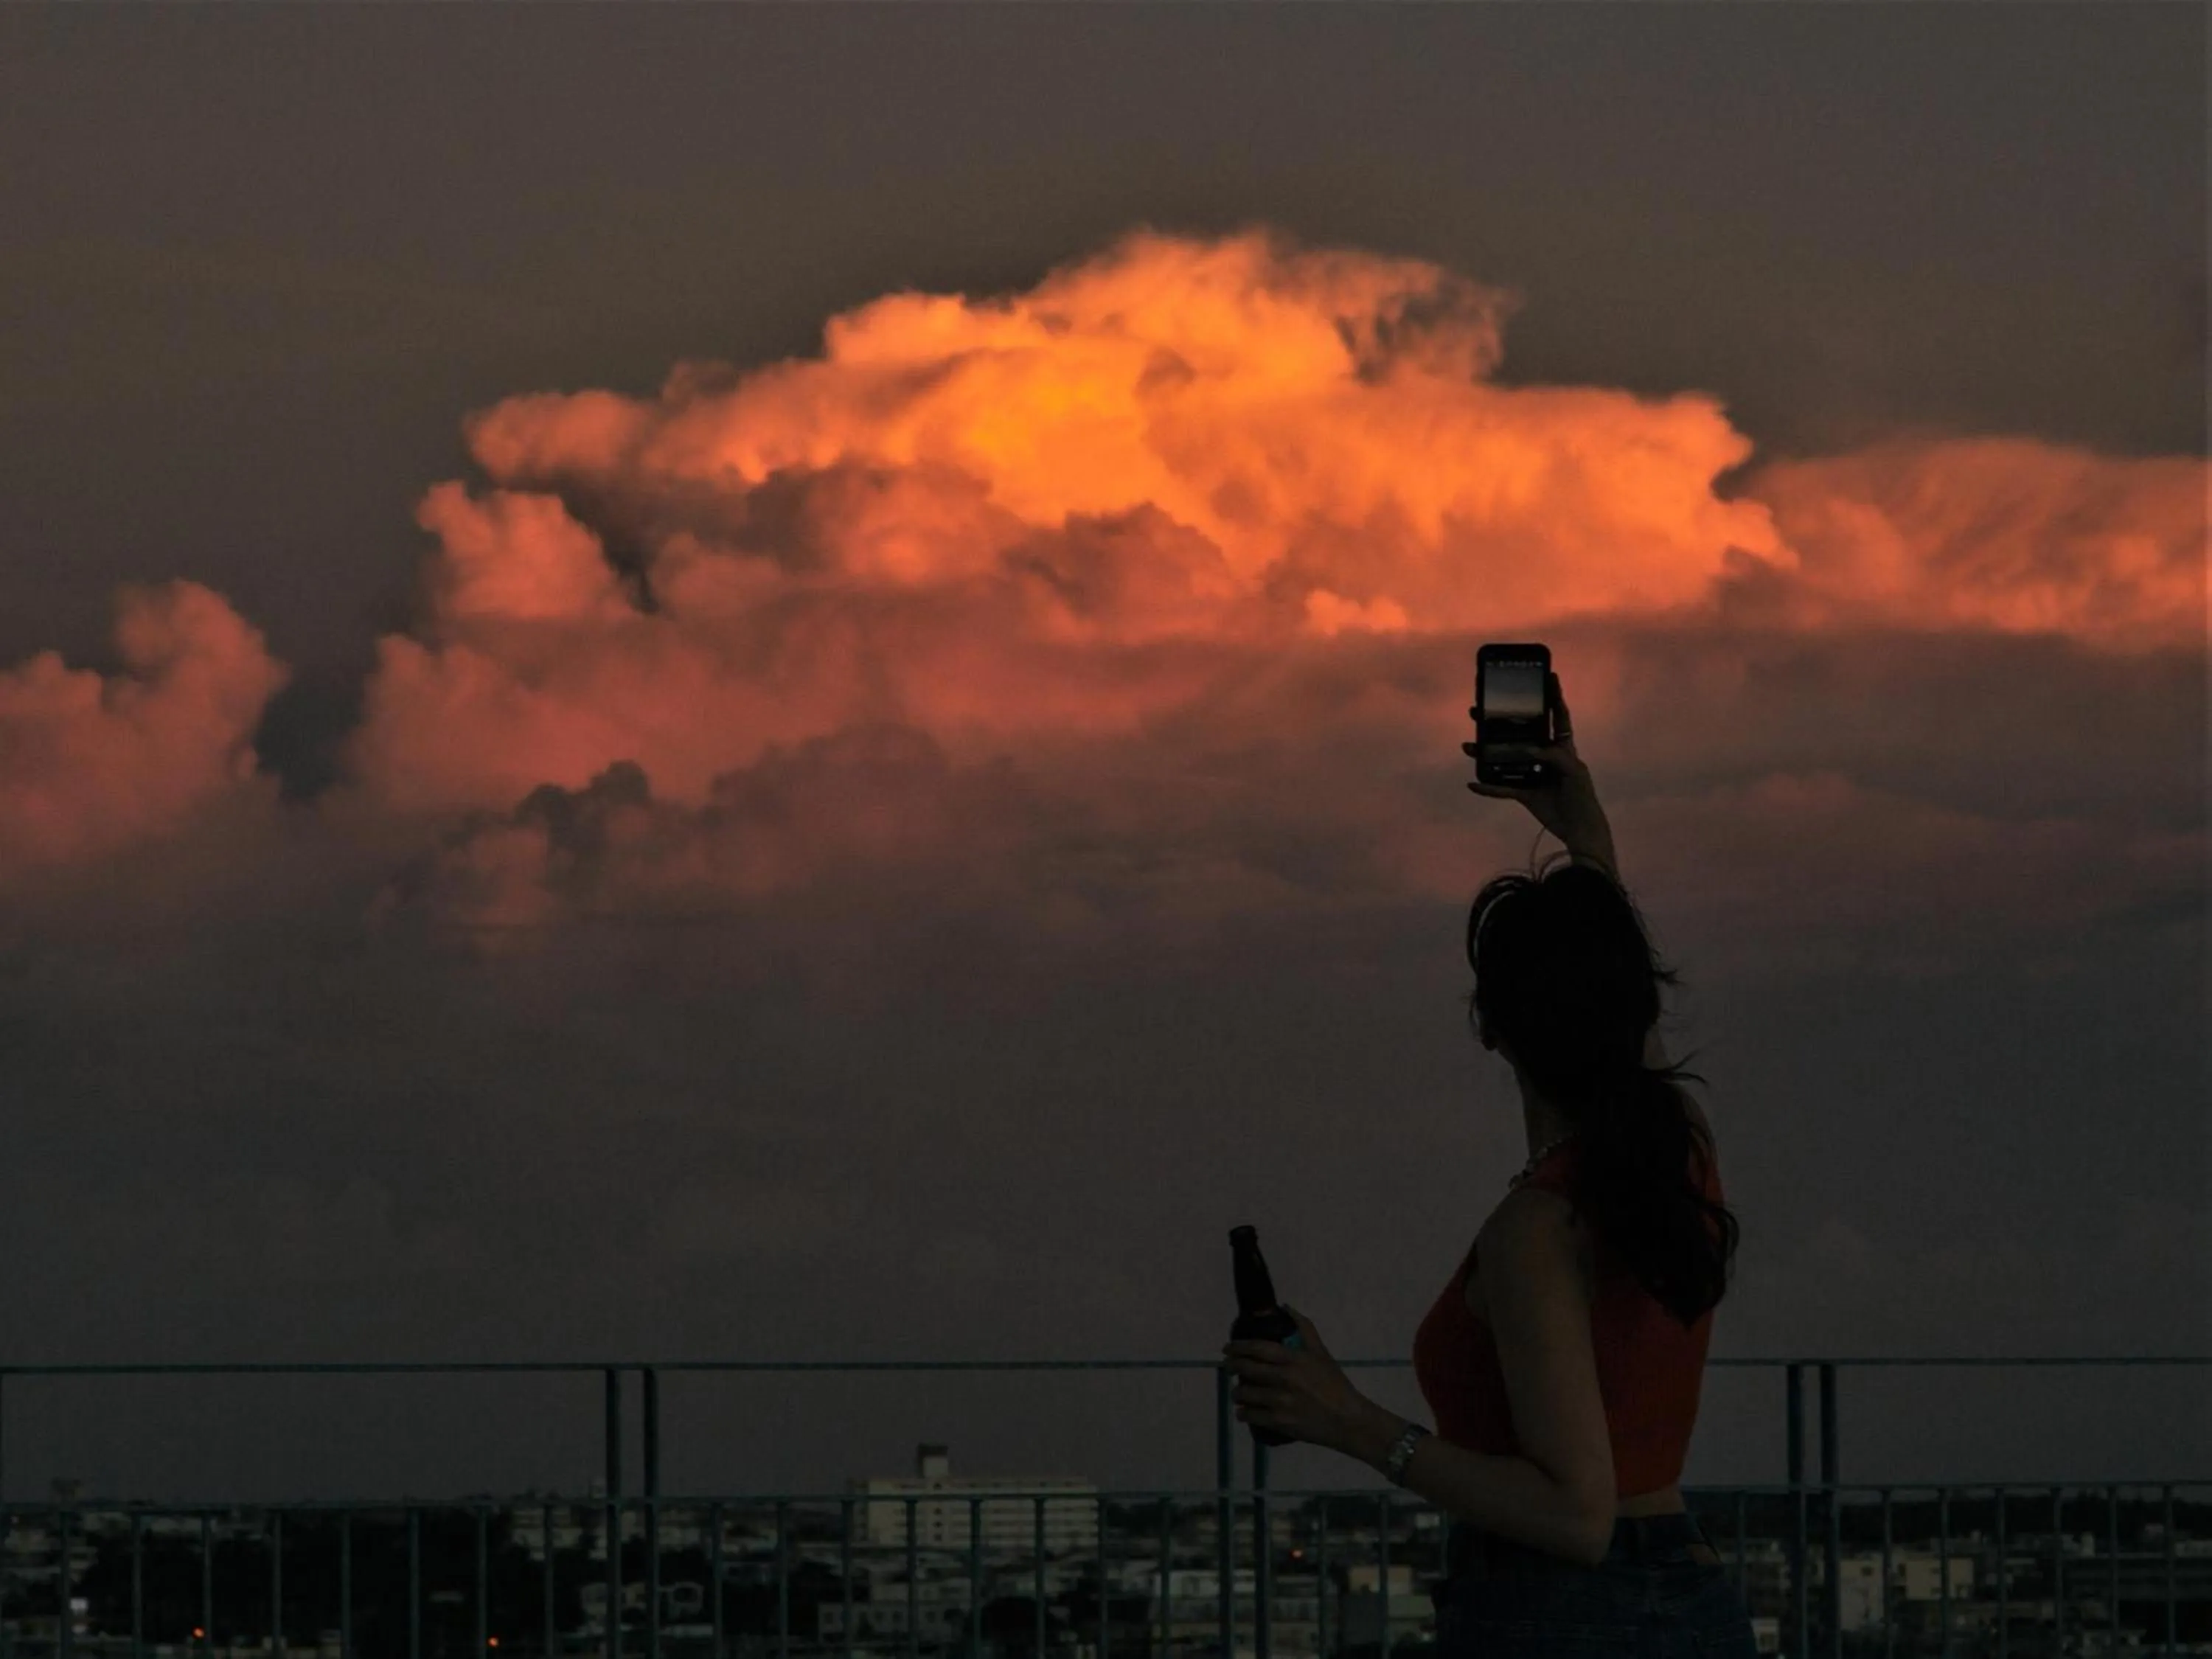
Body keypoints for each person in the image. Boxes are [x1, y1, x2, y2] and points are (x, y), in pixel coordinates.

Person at [1222, 669, 1755, 1657]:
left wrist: (1346, 1417)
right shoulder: (1677, 1149)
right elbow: (1617, 1013)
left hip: (1560, 1617)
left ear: (1489, 1029)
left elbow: (1575, 1514)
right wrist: (1588, 843)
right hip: (1689, 1606)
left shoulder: (1537, 1234)